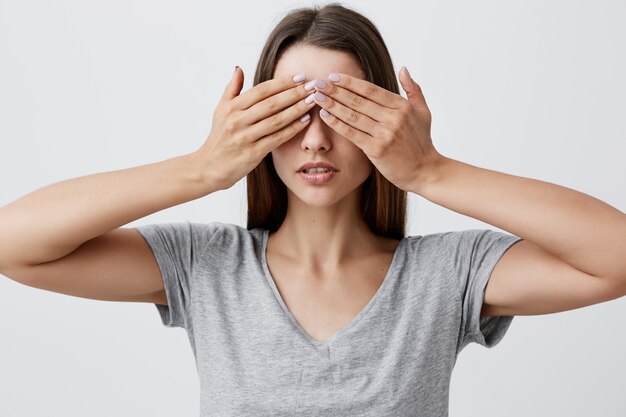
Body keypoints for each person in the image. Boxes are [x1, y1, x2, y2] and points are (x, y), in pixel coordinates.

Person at [0, 3, 624, 416]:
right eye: (291, 112)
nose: (316, 140)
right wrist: (203, 168)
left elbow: (615, 258)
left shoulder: (446, 274)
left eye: (342, 111)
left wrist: (431, 170)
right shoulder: (208, 267)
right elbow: (14, 243)